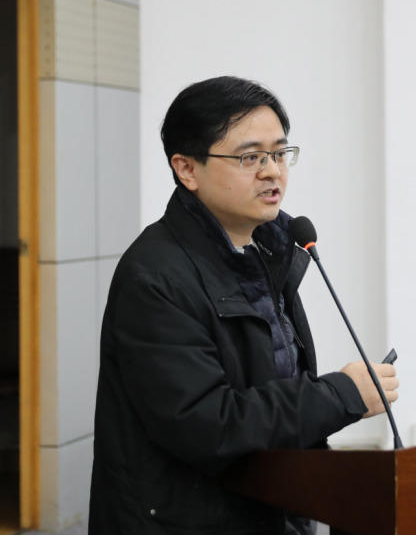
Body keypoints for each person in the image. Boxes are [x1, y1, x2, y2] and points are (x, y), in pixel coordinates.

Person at [88, 76, 399, 535]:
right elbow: (206, 425)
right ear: (187, 169)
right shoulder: (155, 277)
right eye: (250, 157)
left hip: (269, 509)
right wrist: (338, 396)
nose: (272, 172)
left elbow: (272, 389)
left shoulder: (268, 253)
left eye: (280, 153)